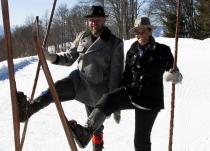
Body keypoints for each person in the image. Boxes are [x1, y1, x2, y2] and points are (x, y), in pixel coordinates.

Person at [17, 5, 124, 151]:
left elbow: (116, 76)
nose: (94, 22)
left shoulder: (115, 43)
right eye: (91, 19)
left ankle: (97, 148)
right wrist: (50, 56)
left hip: (98, 92)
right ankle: (30, 109)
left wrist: (111, 104)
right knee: (54, 90)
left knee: (94, 128)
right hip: (79, 82)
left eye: (98, 19)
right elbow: (68, 58)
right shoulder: (82, 36)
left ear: (104, 20)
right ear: (88, 20)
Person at [68, 17, 183, 151]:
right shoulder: (132, 51)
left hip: (150, 100)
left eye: (144, 31)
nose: (140, 35)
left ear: (150, 31)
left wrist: (174, 74)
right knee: (107, 98)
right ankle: (87, 131)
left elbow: (172, 68)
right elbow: (126, 77)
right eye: (138, 32)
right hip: (133, 93)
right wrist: (115, 101)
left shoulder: (162, 50)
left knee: (140, 141)